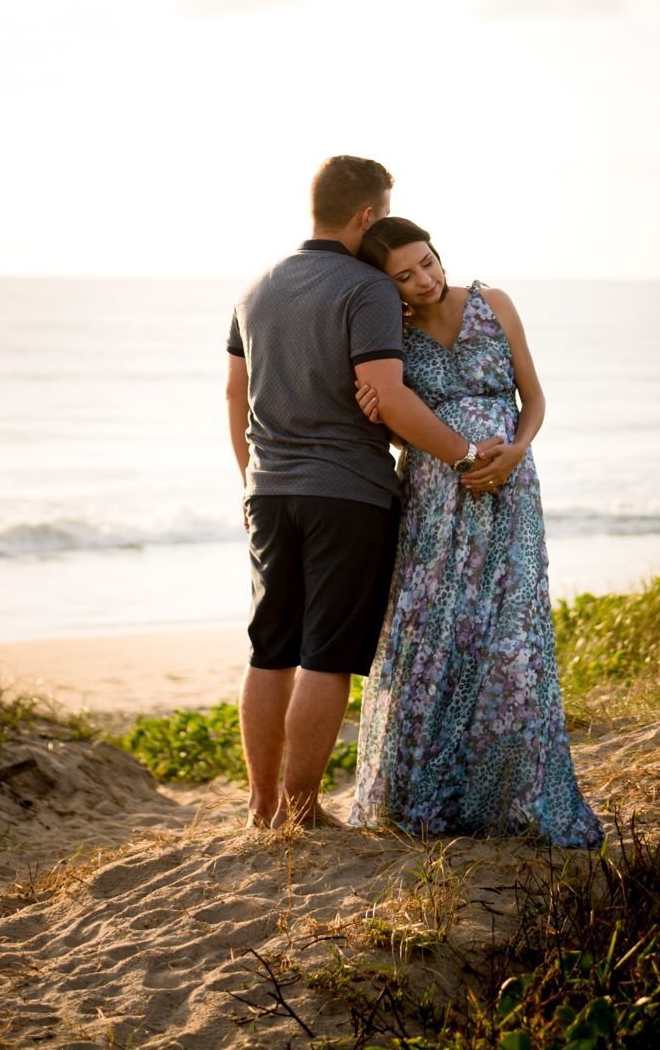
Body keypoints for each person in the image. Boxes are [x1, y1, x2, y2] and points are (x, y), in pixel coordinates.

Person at [226, 160, 503, 829]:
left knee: (270, 650)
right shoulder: (367, 288)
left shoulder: (256, 286)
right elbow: (392, 396)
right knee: (326, 656)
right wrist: (465, 455)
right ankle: (299, 811)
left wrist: (250, 482)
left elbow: (236, 395)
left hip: (269, 493)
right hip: (347, 496)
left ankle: (262, 808)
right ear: (367, 216)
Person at [348, 216, 603, 847]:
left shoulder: (495, 304)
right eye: (404, 276)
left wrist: (516, 452)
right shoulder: (390, 334)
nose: (424, 280)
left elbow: (534, 398)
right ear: (386, 286)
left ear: (439, 253)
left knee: (510, 637)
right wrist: (380, 422)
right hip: (438, 496)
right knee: (433, 633)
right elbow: (397, 426)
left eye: (428, 262)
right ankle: (427, 801)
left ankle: (515, 800)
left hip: (512, 489)